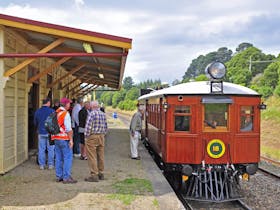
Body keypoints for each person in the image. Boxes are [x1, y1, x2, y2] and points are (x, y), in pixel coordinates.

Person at [51, 97, 77, 184]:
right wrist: (71, 140)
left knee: (58, 157)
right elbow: (68, 129)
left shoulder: (56, 112)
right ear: (66, 104)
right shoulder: (65, 114)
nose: (70, 105)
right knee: (67, 157)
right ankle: (66, 177)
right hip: (64, 138)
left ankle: (59, 176)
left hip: (56, 138)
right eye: (69, 103)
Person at [84, 101, 108, 182]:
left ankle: (94, 175)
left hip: (92, 136)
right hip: (101, 136)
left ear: (92, 106)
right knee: (100, 155)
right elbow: (106, 127)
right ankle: (101, 173)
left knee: (92, 156)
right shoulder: (103, 114)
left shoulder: (91, 114)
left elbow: (88, 127)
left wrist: (86, 136)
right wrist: (103, 135)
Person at [34, 98, 55, 170]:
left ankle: (41, 165)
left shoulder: (37, 111)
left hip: (41, 132)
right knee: (51, 149)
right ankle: (50, 164)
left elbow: (35, 122)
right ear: (48, 103)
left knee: (41, 149)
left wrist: (38, 128)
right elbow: (55, 122)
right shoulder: (52, 111)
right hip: (50, 132)